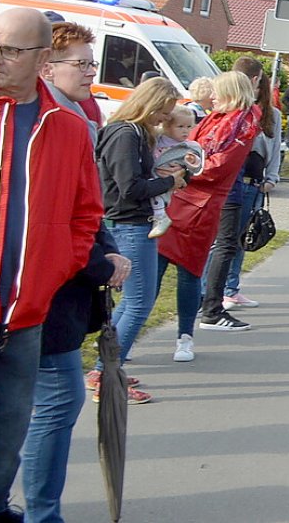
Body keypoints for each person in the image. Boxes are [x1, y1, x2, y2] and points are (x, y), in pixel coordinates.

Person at [0, 22, 128, 523]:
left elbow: (85, 210)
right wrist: (99, 261)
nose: (91, 71)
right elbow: (43, 218)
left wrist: (102, 252)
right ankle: (41, 513)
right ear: (45, 66)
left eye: (92, 63)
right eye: (82, 63)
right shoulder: (42, 122)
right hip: (39, 294)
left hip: (55, 289)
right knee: (50, 404)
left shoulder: (75, 118)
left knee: (41, 405)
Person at [157, 71, 259, 352]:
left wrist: (185, 165)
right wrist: (182, 161)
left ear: (231, 93)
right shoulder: (216, 118)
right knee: (159, 267)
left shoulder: (243, 123)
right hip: (182, 198)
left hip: (203, 205)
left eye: (217, 91)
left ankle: (187, 335)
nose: (211, 96)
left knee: (191, 270)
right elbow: (191, 147)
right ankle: (126, 343)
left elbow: (217, 165)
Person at [93, 76, 184, 390]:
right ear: (150, 105)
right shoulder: (126, 135)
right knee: (139, 303)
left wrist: (159, 176)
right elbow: (130, 188)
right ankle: (107, 373)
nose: (164, 120)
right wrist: (170, 182)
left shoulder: (129, 133)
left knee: (131, 302)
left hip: (129, 221)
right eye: (163, 112)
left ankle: (104, 367)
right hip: (129, 223)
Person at [199, 60, 276, 329]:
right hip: (225, 190)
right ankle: (210, 307)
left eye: (217, 92)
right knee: (223, 245)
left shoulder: (234, 118)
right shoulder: (237, 120)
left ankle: (210, 302)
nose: (212, 97)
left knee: (226, 244)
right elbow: (217, 159)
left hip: (224, 188)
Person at [149, 106, 205, 238]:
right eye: (180, 127)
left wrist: (191, 163)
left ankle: (160, 217)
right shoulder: (156, 139)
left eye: (189, 127)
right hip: (153, 176)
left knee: (158, 196)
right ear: (167, 126)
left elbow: (197, 167)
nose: (185, 131)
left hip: (167, 181)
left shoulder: (189, 146)